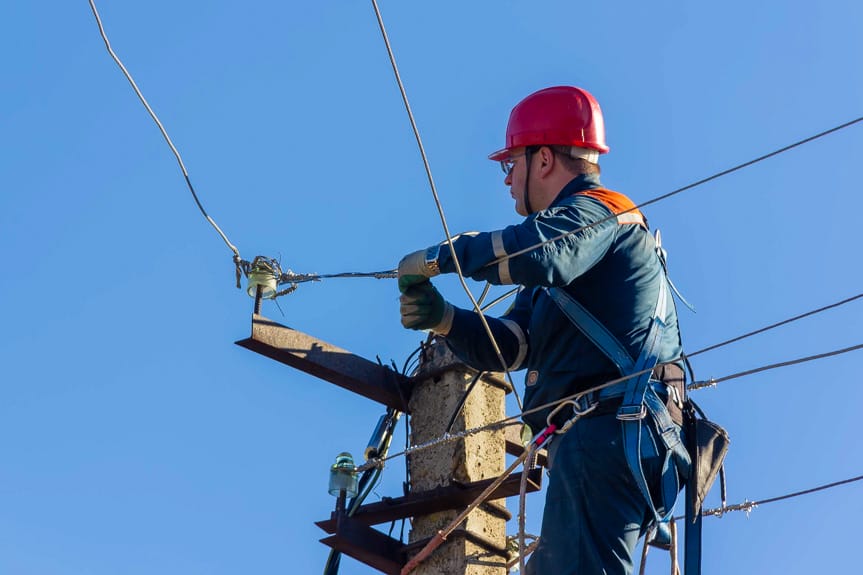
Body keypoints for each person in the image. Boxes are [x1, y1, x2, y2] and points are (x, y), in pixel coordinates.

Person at [397, 86, 690, 575]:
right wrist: (444, 318)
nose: (508, 180)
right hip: (602, 439)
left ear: (546, 159)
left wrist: (442, 257)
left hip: (610, 430)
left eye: (512, 164)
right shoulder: (567, 261)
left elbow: (535, 253)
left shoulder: (597, 214)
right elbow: (515, 344)